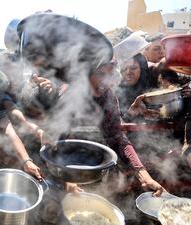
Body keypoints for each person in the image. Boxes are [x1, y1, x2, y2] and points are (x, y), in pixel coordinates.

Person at [17, 12, 164, 197]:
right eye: (101, 74)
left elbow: (117, 137)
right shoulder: (60, 93)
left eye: (111, 74)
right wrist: (68, 181)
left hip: (85, 169)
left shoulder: (106, 96)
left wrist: (143, 174)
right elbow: (52, 144)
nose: (108, 81)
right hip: (45, 172)